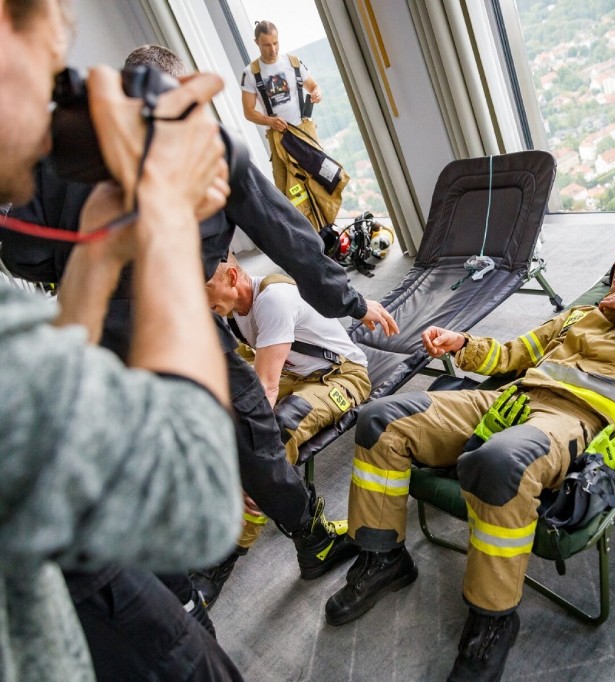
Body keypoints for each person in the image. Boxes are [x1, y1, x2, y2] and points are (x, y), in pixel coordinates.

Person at [2, 42, 397, 681]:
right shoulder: (202, 140)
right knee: (252, 431)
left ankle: (188, 611)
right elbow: (286, 233)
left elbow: (25, 254)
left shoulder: (59, 151)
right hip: (175, 326)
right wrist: (350, 300)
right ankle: (311, 538)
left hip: (99, 335)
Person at [324, 231, 615, 681]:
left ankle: (493, 620)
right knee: (379, 420)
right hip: (510, 401)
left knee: (500, 465)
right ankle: (383, 557)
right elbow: (516, 354)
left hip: (573, 419)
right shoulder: (581, 314)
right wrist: (461, 344)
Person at [0, 1, 246, 679]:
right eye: (54, 71)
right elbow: (192, 503)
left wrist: (100, 256)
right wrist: (164, 204)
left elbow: (46, 415)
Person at [192, 253, 372, 604]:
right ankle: (310, 541)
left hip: (340, 375)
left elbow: (265, 389)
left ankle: (220, 563)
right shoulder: (227, 313)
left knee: (273, 435)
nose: (203, 303)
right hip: (295, 374)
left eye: (206, 291)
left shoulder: (272, 300)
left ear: (232, 276)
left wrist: (254, 469)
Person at [241, 20, 344, 231]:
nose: (273, 49)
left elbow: (314, 86)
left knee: (323, 178)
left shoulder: (293, 62)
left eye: (276, 43)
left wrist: (317, 93)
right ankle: (308, 236)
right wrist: (269, 121)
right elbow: (249, 112)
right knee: (289, 190)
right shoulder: (250, 73)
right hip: (279, 137)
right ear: (256, 43)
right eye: (266, 45)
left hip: (304, 132)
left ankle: (330, 229)